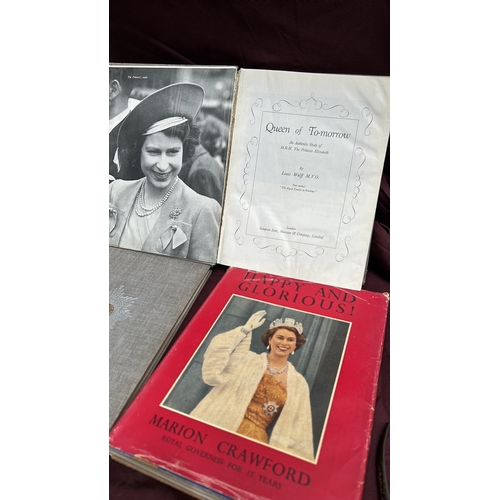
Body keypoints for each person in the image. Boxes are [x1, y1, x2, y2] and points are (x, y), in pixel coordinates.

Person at [109, 82, 221, 263]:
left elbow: (202, 275)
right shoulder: (115, 192)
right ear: (138, 151)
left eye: (172, 152)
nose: (162, 165)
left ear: (185, 150)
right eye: (153, 152)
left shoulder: (203, 210)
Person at [190, 310, 314, 460]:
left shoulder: (298, 383)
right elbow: (214, 368)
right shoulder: (246, 359)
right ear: (270, 340)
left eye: (290, 340)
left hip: (254, 441)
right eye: (280, 337)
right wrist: (245, 329)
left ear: (295, 346)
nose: (284, 343)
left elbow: (300, 426)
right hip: (221, 421)